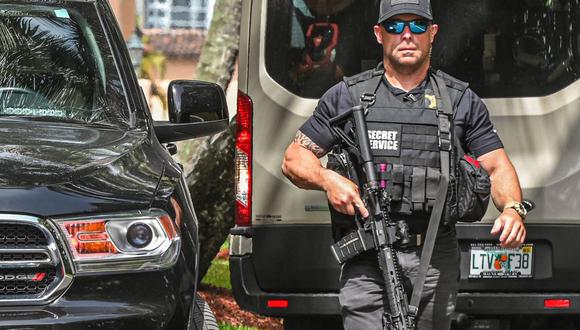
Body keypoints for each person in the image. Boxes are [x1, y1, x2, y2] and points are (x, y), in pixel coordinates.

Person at [281, 0, 527, 329]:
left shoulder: (460, 101)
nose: (407, 34)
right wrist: (327, 179)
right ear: (379, 34)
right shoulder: (349, 97)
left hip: (434, 257)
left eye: (418, 26)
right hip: (367, 256)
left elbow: (497, 166)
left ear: (433, 33)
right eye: (396, 26)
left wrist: (512, 208)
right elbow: (294, 158)